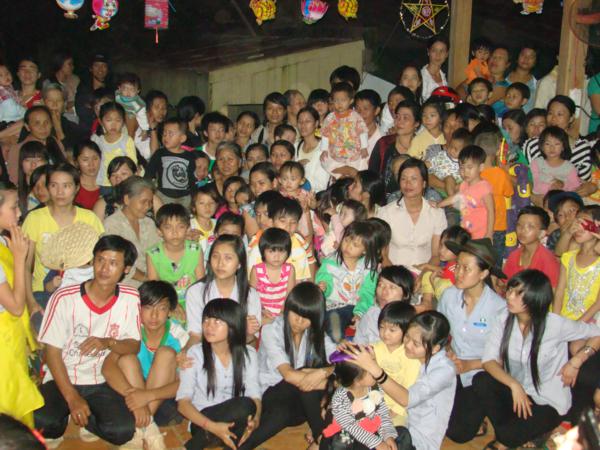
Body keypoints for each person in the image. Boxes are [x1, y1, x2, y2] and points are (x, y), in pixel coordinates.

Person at [34, 235, 141, 447]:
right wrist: (72, 397)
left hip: (101, 380)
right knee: (41, 421)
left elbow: (133, 345)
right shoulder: (64, 297)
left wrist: (108, 342)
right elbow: (52, 353)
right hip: (63, 376)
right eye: (100, 260)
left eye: (113, 263)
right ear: (93, 260)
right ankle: (68, 412)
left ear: (126, 269)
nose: (104, 268)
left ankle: (87, 417)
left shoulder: (130, 298)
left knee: (123, 431)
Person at [475, 269, 600, 449]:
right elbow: (488, 361)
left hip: (547, 401)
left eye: (518, 293)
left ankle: (508, 438)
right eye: (510, 290)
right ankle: (519, 434)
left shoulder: (554, 324)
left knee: (508, 435)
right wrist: (514, 385)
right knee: (481, 380)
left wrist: (577, 359)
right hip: (518, 394)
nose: (509, 296)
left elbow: (596, 332)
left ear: (535, 297)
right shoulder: (503, 318)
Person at [238, 282, 336, 450]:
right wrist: (325, 379)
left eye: (306, 317)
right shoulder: (271, 329)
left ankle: (321, 439)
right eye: (295, 313)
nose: (299, 321)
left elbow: (341, 361)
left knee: (308, 383)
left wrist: (323, 372)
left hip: (299, 406)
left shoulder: (316, 334)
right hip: (272, 396)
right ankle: (322, 440)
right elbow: (289, 375)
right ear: (287, 307)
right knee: (304, 377)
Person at [343, 311, 456, 450]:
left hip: (416, 440)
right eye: (407, 336)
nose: (407, 345)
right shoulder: (409, 354)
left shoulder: (444, 370)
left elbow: (406, 399)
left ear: (435, 349)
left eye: (416, 343)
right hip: (389, 424)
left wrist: (374, 367)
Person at [434, 238, 506, 443]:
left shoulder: (499, 308)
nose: (458, 273)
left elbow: (503, 356)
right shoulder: (449, 296)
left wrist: (469, 365)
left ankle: (483, 412)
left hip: (481, 372)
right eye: (458, 266)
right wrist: (448, 350)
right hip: (452, 366)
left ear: (483, 274)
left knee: (458, 433)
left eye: (466, 268)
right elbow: (441, 332)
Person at [101, 280, 187, 449]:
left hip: (162, 397)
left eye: (161, 308)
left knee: (166, 353)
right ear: (138, 309)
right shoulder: (130, 330)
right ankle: (148, 428)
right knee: (126, 359)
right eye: (147, 308)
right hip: (132, 395)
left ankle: (140, 429)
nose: (154, 315)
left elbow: (184, 383)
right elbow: (108, 368)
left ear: (170, 311)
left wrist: (147, 396)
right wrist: (137, 400)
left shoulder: (179, 336)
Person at [177, 299, 261, 450]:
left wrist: (256, 420)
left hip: (235, 422)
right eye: (206, 320)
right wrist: (213, 427)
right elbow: (183, 404)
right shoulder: (195, 354)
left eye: (217, 321)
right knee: (244, 405)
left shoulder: (249, 354)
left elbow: (254, 393)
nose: (209, 326)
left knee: (250, 410)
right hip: (203, 423)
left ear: (233, 325)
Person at [22, 163, 104, 310]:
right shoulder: (35, 218)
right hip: (44, 294)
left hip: (82, 294)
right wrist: (31, 303)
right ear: (48, 187)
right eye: (54, 185)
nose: (60, 192)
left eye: (66, 186)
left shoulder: (89, 218)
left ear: (77, 187)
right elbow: (26, 265)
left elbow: (100, 259)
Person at [0, 183, 43, 427]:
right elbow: (15, 307)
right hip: (2, 342)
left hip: (12, 335)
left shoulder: (3, 241)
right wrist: (19, 257)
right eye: (14, 207)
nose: (19, 213)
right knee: (10, 406)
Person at [185, 234, 262, 346]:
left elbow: (252, 343)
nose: (220, 263)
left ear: (239, 263)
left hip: (237, 351)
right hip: (205, 349)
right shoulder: (196, 292)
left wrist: (248, 334)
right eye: (215, 256)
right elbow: (196, 336)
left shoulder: (250, 295)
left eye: (228, 258)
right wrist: (185, 351)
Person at [377, 158, 447, 269]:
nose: (408, 183)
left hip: (424, 274)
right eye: (403, 179)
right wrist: (396, 276)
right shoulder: (386, 213)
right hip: (393, 274)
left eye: (413, 179)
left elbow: (435, 255)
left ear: (424, 183)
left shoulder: (437, 214)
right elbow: (383, 255)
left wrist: (423, 275)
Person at [316, 221, 379, 342]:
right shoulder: (330, 262)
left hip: (361, 306)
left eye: (355, 245)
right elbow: (324, 278)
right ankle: (339, 345)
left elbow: (368, 291)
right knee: (333, 325)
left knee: (375, 322)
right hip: (335, 306)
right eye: (346, 240)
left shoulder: (369, 266)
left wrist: (360, 312)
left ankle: (368, 346)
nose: (348, 246)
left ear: (365, 250)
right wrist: (324, 287)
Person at [320, 356, 399, 449]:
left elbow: (382, 413)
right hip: (350, 434)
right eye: (371, 371)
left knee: (403, 434)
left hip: (370, 432)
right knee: (341, 442)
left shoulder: (375, 388)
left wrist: (388, 436)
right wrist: (377, 443)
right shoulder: (340, 398)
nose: (378, 371)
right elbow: (351, 427)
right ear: (357, 380)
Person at [147, 203, 205, 316]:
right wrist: (172, 304)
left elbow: (200, 283)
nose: (175, 232)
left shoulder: (195, 249)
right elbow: (155, 288)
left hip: (192, 299)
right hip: (165, 301)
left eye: (180, 227)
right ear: (159, 231)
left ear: (188, 229)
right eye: (168, 227)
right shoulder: (153, 254)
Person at [103, 176, 160, 287]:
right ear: (127, 199)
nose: (148, 206)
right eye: (143, 202)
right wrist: (148, 279)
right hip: (124, 285)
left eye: (150, 202)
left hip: (151, 282)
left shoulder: (148, 223)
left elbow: (158, 252)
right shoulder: (112, 224)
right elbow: (118, 262)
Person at [247, 197, 317, 282]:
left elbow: (310, 261)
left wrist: (312, 285)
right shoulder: (258, 243)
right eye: (283, 221)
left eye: (293, 222)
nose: (288, 226)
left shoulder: (299, 240)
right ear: (272, 221)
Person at [553, 205, 600, 321]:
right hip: (563, 317)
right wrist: (556, 320)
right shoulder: (568, 257)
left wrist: (576, 326)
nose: (578, 228)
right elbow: (559, 292)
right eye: (576, 223)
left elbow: (598, 303)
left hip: (586, 321)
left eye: (585, 224)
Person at [438, 145, 495, 240]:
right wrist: (438, 204)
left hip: (481, 234)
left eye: (469, 167)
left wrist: (489, 233)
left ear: (481, 167)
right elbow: (455, 198)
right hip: (466, 233)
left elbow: (491, 211)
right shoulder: (464, 184)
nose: (465, 172)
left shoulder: (484, 187)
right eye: (461, 168)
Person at [354, 265, 415, 345]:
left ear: (405, 294)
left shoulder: (412, 320)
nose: (384, 292)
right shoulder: (371, 314)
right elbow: (359, 342)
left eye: (392, 287)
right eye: (380, 285)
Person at [369, 100, 421, 193]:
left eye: (405, 118)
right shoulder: (384, 143)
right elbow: (372, 175)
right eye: (397, 117)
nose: (399, 121)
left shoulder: (422, 147)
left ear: (416, 123)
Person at [6, 105, 66, 184]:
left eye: (46, 122)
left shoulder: (54, 141)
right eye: (37, 123)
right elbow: (15, 180)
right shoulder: (18, 149)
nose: (43, 127)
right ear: (27, 127)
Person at [320, 82, 369, 177]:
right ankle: (339, 176)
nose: (339, 104)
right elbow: (325, 135)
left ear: (351, 101)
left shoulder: (355, 116)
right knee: (323, 160)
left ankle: (355, 177)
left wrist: (364, 147)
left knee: (364, 161)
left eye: (343, 100)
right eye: (336, 100)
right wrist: (324, 149)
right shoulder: (330, 118)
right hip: (335, 154)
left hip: (353, 153)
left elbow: (362, 132)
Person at [145, 118, 195, 208]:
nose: (166, 137)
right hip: (164, 196)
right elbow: (149, 173)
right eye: (164, 134)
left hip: (184, 197)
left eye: (170, 134)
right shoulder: (159, 153)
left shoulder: (189, 156)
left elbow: (191, 178)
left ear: (182, 138)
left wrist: (194, 195)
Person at [504, 206, 560, 287]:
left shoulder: (547, 260)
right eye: (519, 225)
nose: (523, 230)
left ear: (542, 233)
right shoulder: (514, 255)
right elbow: (505, 284)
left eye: (530, 227)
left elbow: (552, 291)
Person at [249, 227, 295, 324]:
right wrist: (261, 310)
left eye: (281, 251)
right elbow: (251, 296)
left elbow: (290, 295)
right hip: (261, 313)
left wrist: (283, 311)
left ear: (288, 252)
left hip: (283, 312)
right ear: (263, 251)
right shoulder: (256, 270)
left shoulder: (290, 269)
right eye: (271, 251)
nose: (277, 256)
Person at [91, 102, 137, 193]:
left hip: (122, 183)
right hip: (103, 183)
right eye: (109, 120)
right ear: (100, 121)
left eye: (118, 120)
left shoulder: (127, 141)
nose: (113, 125)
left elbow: (132, 164)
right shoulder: (96, 139)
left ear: (123, 122)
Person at [531, 126, 582, 202]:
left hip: (562, 202)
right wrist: (551, 187)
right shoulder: (536, 163)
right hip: (540, 200)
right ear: (542, 146)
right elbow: (534, 185)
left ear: (563, 147)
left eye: (557, 144)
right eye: (547, 144)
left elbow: (576, 187)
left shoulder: (569, 167)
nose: (552, 148)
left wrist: (563, 185)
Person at [296, 106, 329, 193]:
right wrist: (297, 166)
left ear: (316, 123)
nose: (303, 125)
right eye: (300, 121)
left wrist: (298, 169)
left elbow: (322, 184)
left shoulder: (324, 148)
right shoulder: (295, 147)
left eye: (307, 121)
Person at [75, 53, 110, 131]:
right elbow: (81, 111)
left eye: (103, 66)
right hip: (87, 130)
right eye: (96, 65)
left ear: (107, 69)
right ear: (91, 68)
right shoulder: (83, 88)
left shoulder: (112, 89)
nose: (100, 69)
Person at [135, 90, 169, 161]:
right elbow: (154, 155)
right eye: (157, 107)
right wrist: (153, 129)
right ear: (147, 108)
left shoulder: (163, 127)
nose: (161, 111)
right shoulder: (139, 127)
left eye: (164, 108)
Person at [506, 46, 538, 113]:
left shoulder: (537, 85)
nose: (526, 59)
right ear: (517, 57)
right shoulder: (504, 77)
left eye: (531, 57)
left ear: (535, 62)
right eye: (523, 55)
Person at [189, 185, 219, 254]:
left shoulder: (218, 224)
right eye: (202, 203)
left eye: (211, 202)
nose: (207, 206)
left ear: (216, 206)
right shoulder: (189, 225)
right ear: (194, 207)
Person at [73, 140, 101, 211]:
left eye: (95, 158)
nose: (91, 164)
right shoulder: (73, 186)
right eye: (85, 160)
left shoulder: (108, 184)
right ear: (76, 162)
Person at [354, 89, 383, 157]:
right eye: (357, 108)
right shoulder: (347, 129)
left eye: (365, 109)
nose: (360, 113)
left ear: (376, 110)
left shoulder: (381, 139)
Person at [421, 37, 449, 101]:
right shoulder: (421, 76)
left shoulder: (443, 76)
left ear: (447, 54)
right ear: (428, 52)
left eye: (442, 51)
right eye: (434, 50)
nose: (438, 55)